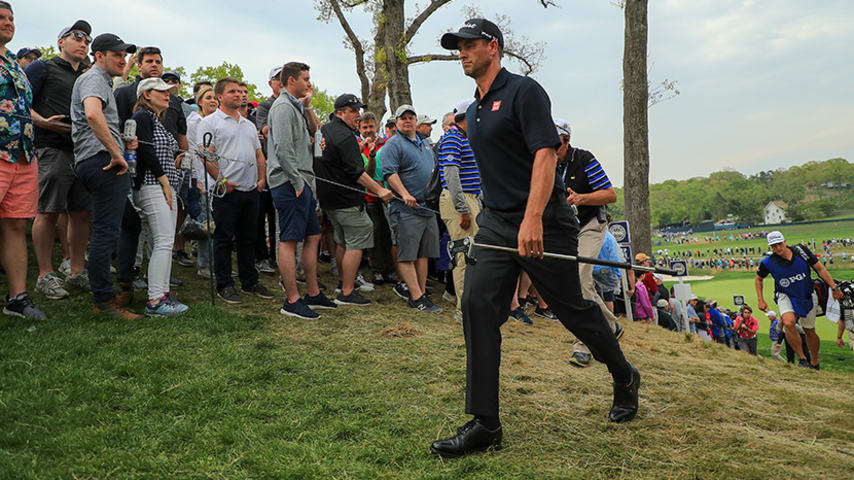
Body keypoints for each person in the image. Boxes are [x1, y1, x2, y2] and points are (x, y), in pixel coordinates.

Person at [430, 18, 638, 459]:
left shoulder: (526, 91)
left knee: (573, 311)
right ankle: (485, 422)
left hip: (546, 221)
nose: (462, 53)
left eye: (469, 45)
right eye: (458, 48)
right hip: (497, 224)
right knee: (476, 309)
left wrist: (533, 218)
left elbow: (544, 156)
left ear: (493, 47)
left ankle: (623, 374)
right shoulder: (474, 108)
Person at [70, 32, 141, 320]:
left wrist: (123, 141)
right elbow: (92, 114)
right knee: (105, 233)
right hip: (103, 163)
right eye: (117, 54)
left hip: (100, 160)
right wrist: (115, 152)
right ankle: (104, 301)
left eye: (124, 55)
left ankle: (124, 284)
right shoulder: (93, 78)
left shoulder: (103, 82)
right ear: (99, 55)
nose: (123, 59)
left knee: (130, 223)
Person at [26, 19, 92, 301]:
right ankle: (44, 275)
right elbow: (15, 103)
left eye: (87, 39)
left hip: (82, 151)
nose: (83, 42)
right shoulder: (43, 67)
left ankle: (76, 271)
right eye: (77, 36)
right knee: (49, 211)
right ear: (60, 42)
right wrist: (44, 123)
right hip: (51, 147)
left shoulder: (87, 76)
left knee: (80, 213)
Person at [267, 62, 336, 318]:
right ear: (291, 80)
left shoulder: (296, 106)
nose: (309, 84)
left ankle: (313, 293)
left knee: (313, 236)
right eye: (306, 79)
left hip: (304, 182)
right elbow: (283, 150)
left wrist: (307, 106)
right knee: (289, 240)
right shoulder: (283, 107)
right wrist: (297, 183)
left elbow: (314, 131)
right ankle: (292, 300)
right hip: (290, 183)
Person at [198, 77, 274, 303]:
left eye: (242, 91)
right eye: (233, 92)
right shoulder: (210, 122)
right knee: (223, 238)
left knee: (248, 238)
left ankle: (250, 281)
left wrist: (262, 178)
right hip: (226, 192)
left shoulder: (249, 124)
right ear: (220, 96)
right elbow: (205, 154)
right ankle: (224, 284)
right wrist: (221, 181)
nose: (240, 95)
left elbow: (259, 153)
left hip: (251, 189)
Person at [556, 118, 624, 367]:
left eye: (557, 143)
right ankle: (610, 324)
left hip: (590, 226)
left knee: (581, 279)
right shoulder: (544, 161)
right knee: (573, 284)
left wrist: (582, 198)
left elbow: (610, 194)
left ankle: (582, 343)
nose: (552, 149)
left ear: (567, 139)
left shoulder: (584, 159)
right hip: (564, 231)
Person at [315, 93, 392, 306]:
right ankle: (347, 292)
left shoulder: (327, 130)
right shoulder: (346, 135)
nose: (357, 115)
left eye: (358, 110)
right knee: (356, 242)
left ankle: (343, 283)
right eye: (352, 111)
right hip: (347, 200)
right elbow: (356, 171)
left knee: (342, 241)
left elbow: (335, 159)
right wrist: (380, 190)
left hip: (329, 199)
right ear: (339, 112)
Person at [0, 3, 46, 319]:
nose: (8, 23)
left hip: (23, 153)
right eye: (1, 18)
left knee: (16, 224)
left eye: (11, 19)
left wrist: (46, 121)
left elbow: (19, 106)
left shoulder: (16, 65)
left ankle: (17, 298)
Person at [129, 77, 189, 315]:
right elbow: (146, 151)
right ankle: (155, 301)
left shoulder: (157, 120)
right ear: (146, 95)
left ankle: (164, 294)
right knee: (164, 242)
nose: (168, 95)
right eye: (162, 91)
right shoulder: (143, 117)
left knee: (164, 242)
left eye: (169, 92)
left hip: (164, 185)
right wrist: (164, 181)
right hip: (153, 184)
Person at [383, 105, 442, 314]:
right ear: (396, 122)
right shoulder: (393, 145)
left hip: (427, 208)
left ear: (416, 121)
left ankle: (422, 292)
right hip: (406, 209)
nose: (408, 121)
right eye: (403, 118)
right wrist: (404, 193)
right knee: (408, 254)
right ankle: (415, 297)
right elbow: (390, 173)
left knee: (424, 254)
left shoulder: (425, 144)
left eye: (411, 117)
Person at [755, 231, 843, 369]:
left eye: (779, 243)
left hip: (806, 293)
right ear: (771, 247)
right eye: (774, 246)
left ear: (784, 241)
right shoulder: (768, 263)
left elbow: (820, 268)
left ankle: (814, 361)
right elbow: (758, 278)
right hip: (785, 295)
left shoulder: (801, 251)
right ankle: (802, 359)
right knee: (788, 323)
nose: (778, 248)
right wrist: (760, 299)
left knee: (809, 330)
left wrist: (834, 287)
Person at [437, 98, 481, 319]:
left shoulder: (464, 138)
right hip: (459, 200)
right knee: (464, 255)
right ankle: (464, 311)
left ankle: (471, 306)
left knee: (473, 254)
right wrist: (463, 209)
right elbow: (451, 177)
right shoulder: (453, 138)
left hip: (470, 199)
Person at [185, 84, 217, 278]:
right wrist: (196, 179)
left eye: (215, 97)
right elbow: (193, 152)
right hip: (202, 179)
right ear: (199, 101)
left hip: (216, 180)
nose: (212, 100)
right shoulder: (194, 123)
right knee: (206, 224)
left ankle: (213, 263)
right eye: (208, 97)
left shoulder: (216, 122)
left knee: (215, 224)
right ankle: (204, 265)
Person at [360, 111, 395, 285]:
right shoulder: (358, 146)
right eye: (364, 127)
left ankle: (390, 269)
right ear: (360, 128)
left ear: (377, 126)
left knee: (389, 234)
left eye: (371, 127)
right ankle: (377, 270)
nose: (368, 130)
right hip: (370, 197)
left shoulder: (386, 144)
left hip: (388, 196)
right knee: (375, 233)